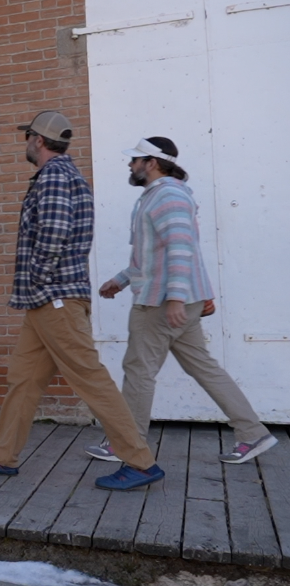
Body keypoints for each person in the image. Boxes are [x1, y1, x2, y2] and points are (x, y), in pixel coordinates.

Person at [0, 111, 164, 491]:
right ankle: (3, 455)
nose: (26, 143)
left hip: (54, 298)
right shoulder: (64, 175)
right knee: (23, 378)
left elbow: (53, 233)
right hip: (46, 301)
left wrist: (38, 278)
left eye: (28, 137)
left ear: (38, 140)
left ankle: (140, 462)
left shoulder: (54, 176)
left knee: (90, 378)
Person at [84, 137, 277, 464]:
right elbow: (152, 254)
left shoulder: (168, 196)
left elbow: (181, 250)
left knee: (139, 369)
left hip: (161, 302)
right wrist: (120, 280)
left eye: (135, 159)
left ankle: (127, 444)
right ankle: (253, 433)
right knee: (203, 367)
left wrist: (175, 297)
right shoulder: (159, 195)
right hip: (175, 298)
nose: (130, 165)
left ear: (152, 163)